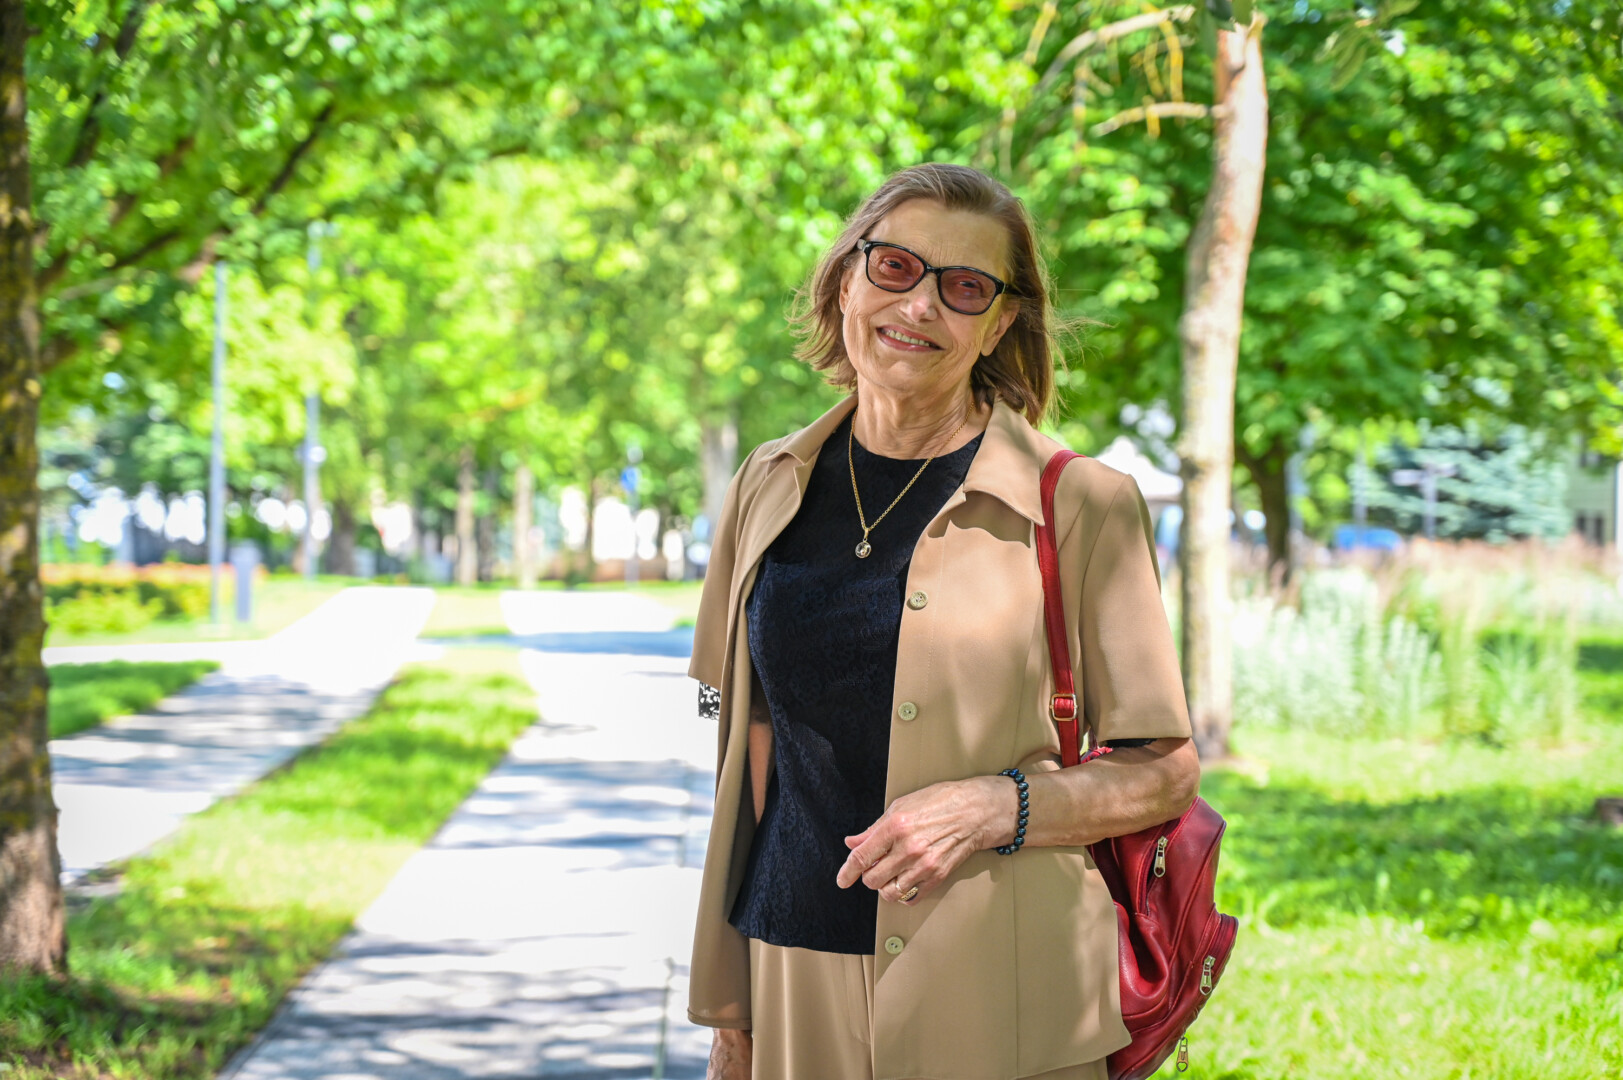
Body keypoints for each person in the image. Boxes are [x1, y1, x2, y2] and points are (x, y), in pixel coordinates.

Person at [686, 163, 1200, 1080]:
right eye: (894, 268)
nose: (919, 306)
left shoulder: (1084, 505)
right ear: (846, 277)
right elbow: (747, 754)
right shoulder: (766, 484)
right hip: (794, 973)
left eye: (963, 288)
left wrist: (995, 805)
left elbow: (1163, 772)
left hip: (1007, 995)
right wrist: (733, 1008)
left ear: (999, 322)